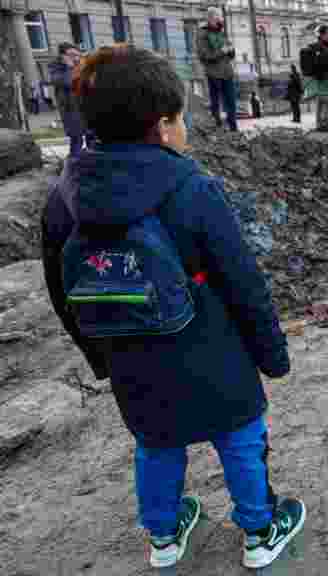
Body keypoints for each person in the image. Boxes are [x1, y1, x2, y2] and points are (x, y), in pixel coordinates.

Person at [40, 44, 302, 572]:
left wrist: (100, 359)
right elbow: (242, 280)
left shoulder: (62, 198)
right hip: (212, 348)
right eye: (181, 119)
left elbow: (61, 291)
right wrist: (271, 354)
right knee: (241, 436)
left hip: (129, 358)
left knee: (156, 445)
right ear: (162, 126)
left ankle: (163, 537)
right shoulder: (192, 188)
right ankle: (258, 529)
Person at [49, 43, 96, 157]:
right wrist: (69, 67)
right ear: (62, 56)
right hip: (70, 109)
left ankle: (94, 164)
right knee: (76, 140)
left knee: (92, 139)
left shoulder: (83, 65)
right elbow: (68, 82)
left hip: (86, 108)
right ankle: (74, 167)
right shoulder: (56, 68)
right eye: (71, 55)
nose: (75, 58)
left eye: (77, 55)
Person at [196, 7, 238, 131]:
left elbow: (230, 54)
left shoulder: (221, 32)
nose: (221, 19)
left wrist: (231, 50)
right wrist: (222, 51)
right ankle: (218, 127)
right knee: (216, 103)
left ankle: (234, 128)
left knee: (231, 102)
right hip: (214, 73)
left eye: (221, 17)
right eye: (219, 17)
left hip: (227, 73)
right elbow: (204, 56)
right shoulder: (202, 34)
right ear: (211, 18)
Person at [305, 25, 328, 132]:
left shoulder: (323, 46)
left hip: (320, 78)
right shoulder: (320, 47)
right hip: (322, 78)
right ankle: (324, 124)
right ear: (322, 35)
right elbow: (325, 63)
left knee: (321, 102)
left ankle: (320, 124)